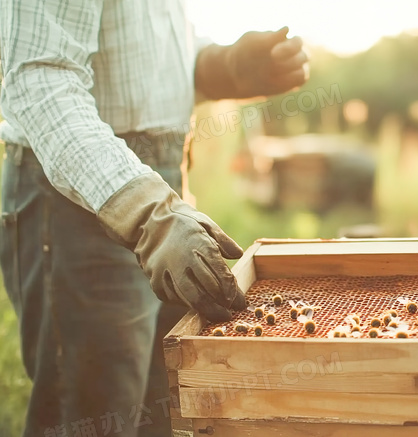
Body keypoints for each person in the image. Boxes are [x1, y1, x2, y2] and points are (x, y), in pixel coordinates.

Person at [0, 1, 309, 436]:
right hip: (83, 196)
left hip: (157, 189)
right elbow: (40, 77)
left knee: (158, 414)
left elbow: (144, 52)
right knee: (95, 419)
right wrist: (148, 212)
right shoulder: (139, 209)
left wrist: (225, 65)